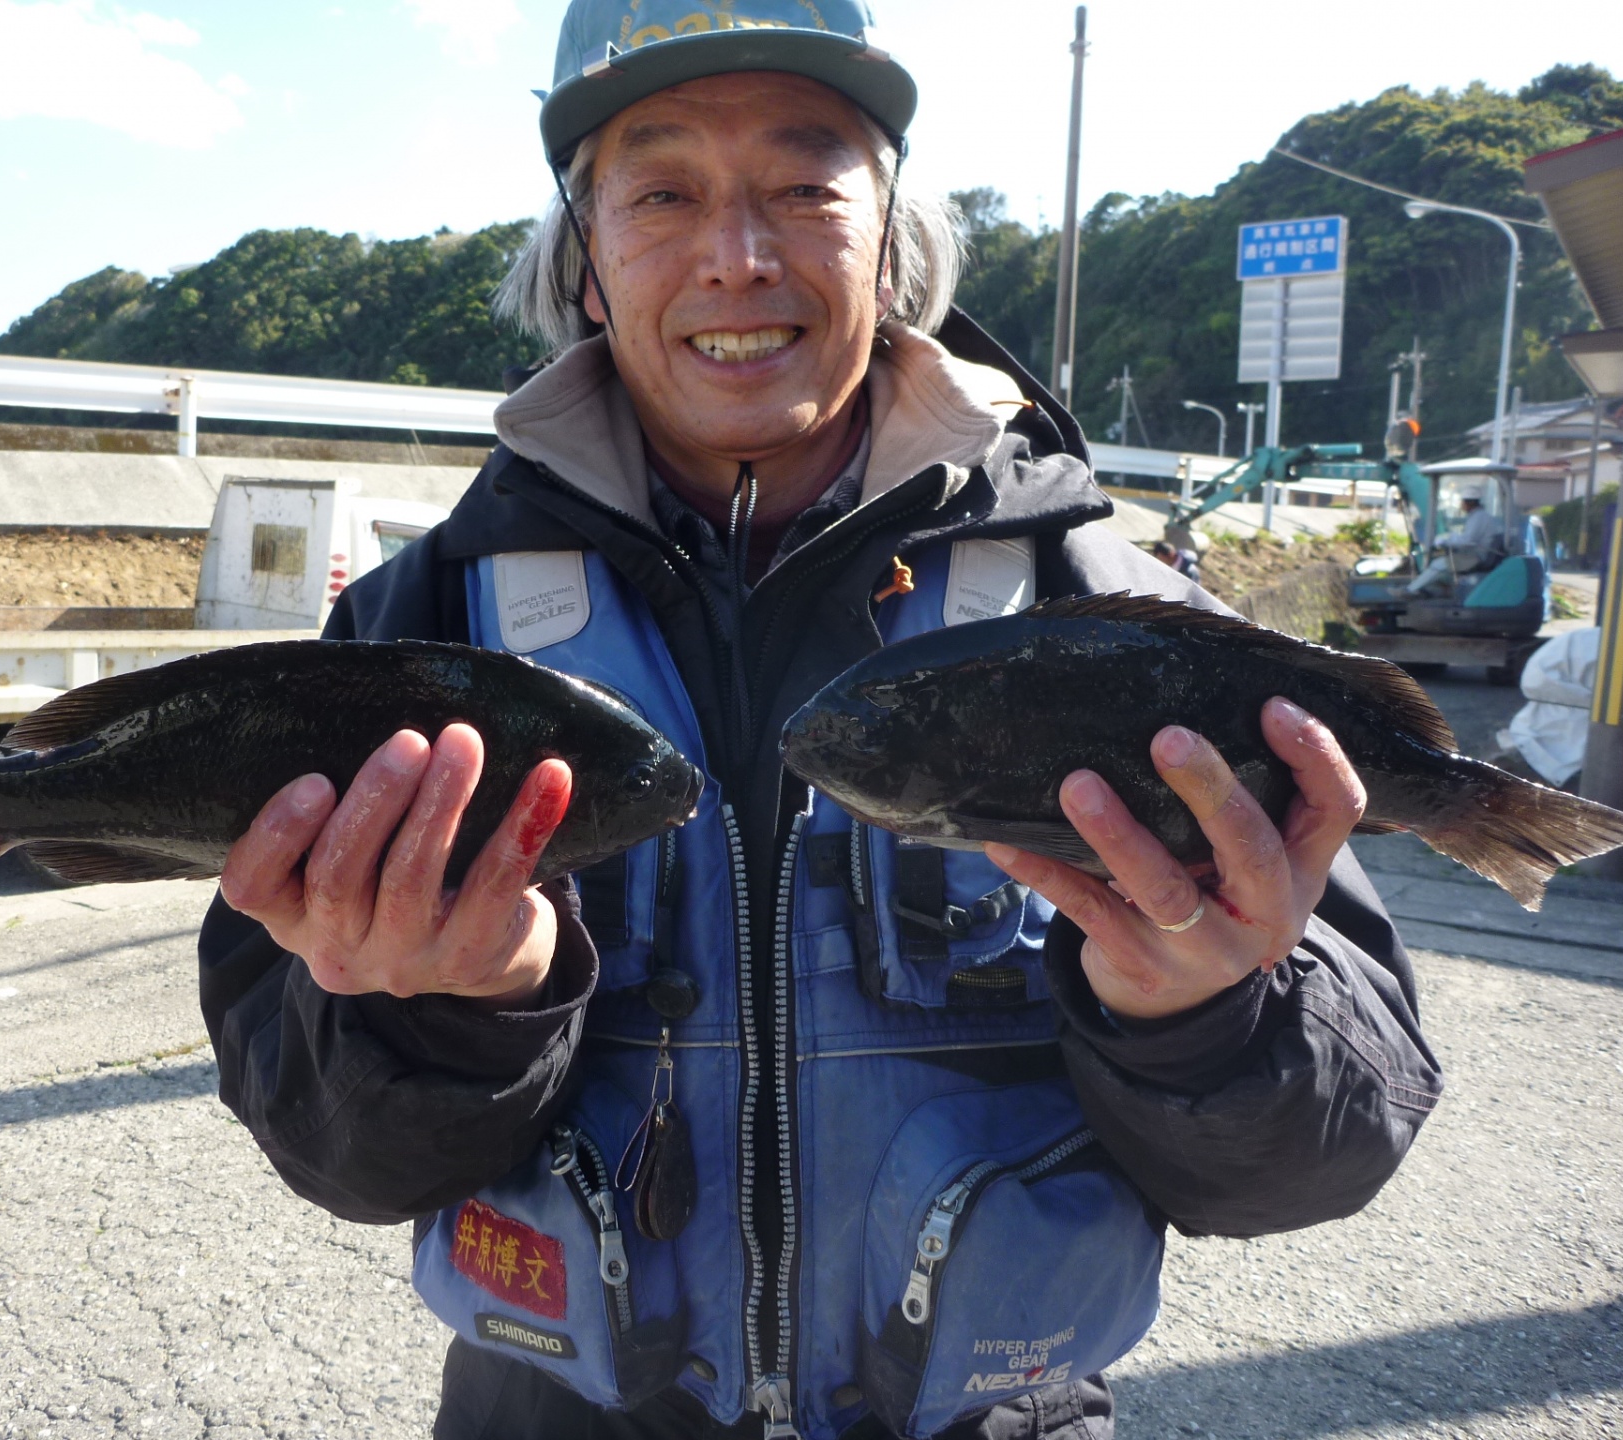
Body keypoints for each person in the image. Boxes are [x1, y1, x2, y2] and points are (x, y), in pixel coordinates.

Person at [198, 6, 1441, 1437]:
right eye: (663, 193)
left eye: (805, 184)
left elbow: (1322, 1158)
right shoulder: (412, 640)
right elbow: (333, 1155)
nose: (738, 255)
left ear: (891, 237)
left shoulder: (1124, 623)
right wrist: (447, 1011)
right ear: (585, 256)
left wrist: (1205, 1012)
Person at [1405, 481, 1502, 595]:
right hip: (1478, 553)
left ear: (1470, 502)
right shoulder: (1479, 516)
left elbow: (1467, 541)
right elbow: (1468, 538)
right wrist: (1451, 538)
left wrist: (1446, 541)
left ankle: (1411, 590)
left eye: (1463, 501)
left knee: (1438, 564)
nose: (1461, 504)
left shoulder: (1478, 518)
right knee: (1441, 564)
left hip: (1476, 557)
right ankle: (1436, 590)